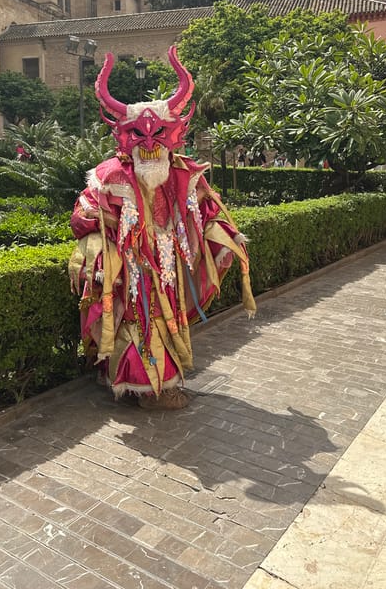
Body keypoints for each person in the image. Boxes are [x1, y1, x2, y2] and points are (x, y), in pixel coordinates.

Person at [69, 46, 256, 409]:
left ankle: (142, 380)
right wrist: (90, 219)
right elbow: (83, 212)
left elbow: (207, 209)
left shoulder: (183, 172)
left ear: (175, 134)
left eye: (159, 137)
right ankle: (150, 388)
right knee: (137, 318)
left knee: (167, 319)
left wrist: (226, 237)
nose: (151, 147)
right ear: (125, 137)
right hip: (130, 270)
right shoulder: (111, 176)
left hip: (169, 265)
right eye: (140, 136)